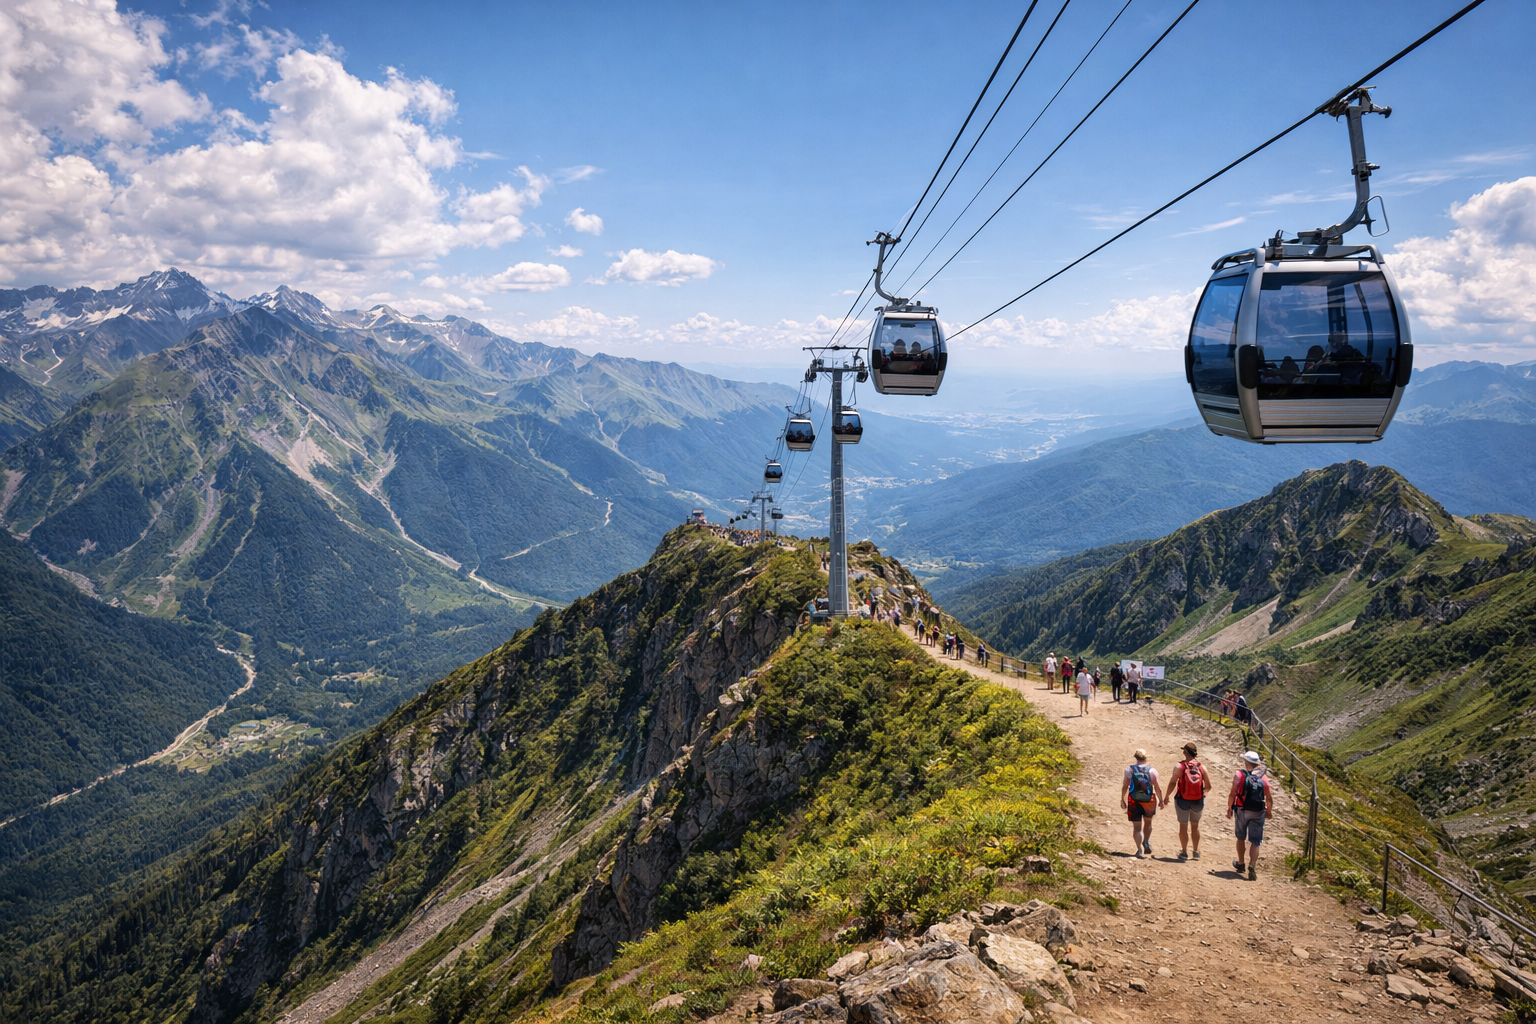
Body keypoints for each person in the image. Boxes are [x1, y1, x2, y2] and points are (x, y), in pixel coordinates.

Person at [1162, 742, 1212, 861]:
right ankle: (1196, 851)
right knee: (1195, 826)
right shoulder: (1202, 767)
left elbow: (1173, 782)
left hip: (1182, 800)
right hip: (1198, 802)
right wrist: (1201, 794)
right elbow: (1209, 787)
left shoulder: (1180, 766)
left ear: (1185, 752)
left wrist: (1167, 795)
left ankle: (1184, 852)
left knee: (1183, 826)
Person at [1227, 751, 1272, 881]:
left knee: (1240, 837)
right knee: (1255, 841)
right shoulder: (1263, 778)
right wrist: (1268, 811)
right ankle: (1252, 865)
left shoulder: (1239, 775)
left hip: (1241, 809)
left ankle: (1241, 863)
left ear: (1246, 762)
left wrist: (1229, 808)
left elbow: (1232, 793)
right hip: (1258, 811)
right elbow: (1268, 797)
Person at [1121, 749, 1159, 858]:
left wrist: (1122, 799)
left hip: (1134, 800)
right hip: (1149, 800)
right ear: (1146, 757)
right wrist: (1161, 800)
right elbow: (1156, 787)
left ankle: (1139, 850)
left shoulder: (1129, 770)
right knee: (1148, 822)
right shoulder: (1152, 771)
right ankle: (1146, 841)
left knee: (1137, 827)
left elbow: (1125, 785)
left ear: (1135, 757)